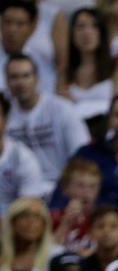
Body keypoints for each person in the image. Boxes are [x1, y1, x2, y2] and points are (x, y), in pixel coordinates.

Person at [6, 54, 90, 193]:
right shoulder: (5, 115)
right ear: (7, 82)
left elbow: (81, 155)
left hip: (61, 188)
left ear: (37, 79)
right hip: (19, 192)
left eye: (26, 76)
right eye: (14, 77)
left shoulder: (63, 109)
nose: (20, 82)